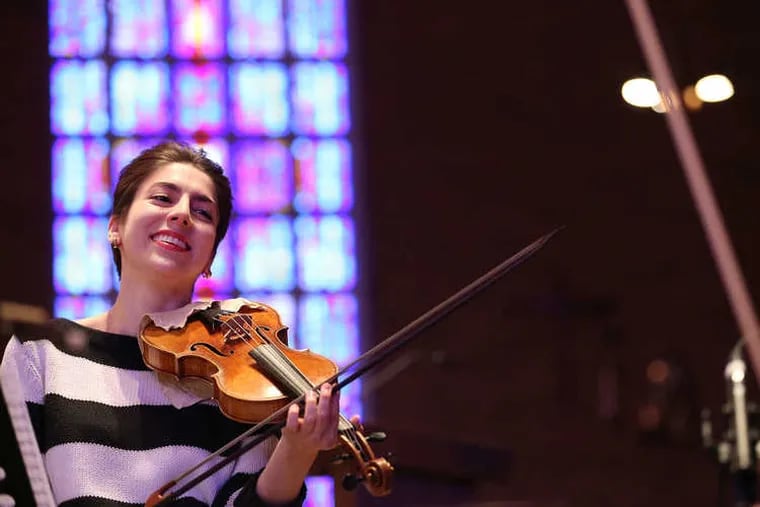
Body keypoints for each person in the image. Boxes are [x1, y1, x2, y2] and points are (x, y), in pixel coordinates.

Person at [0, 140, 343, 506]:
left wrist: (296, 451)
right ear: (115, 227)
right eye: (163, 198)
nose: (181, 215)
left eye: (203, 213)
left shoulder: (238, 382)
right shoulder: (40, 354)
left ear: (210, 257)